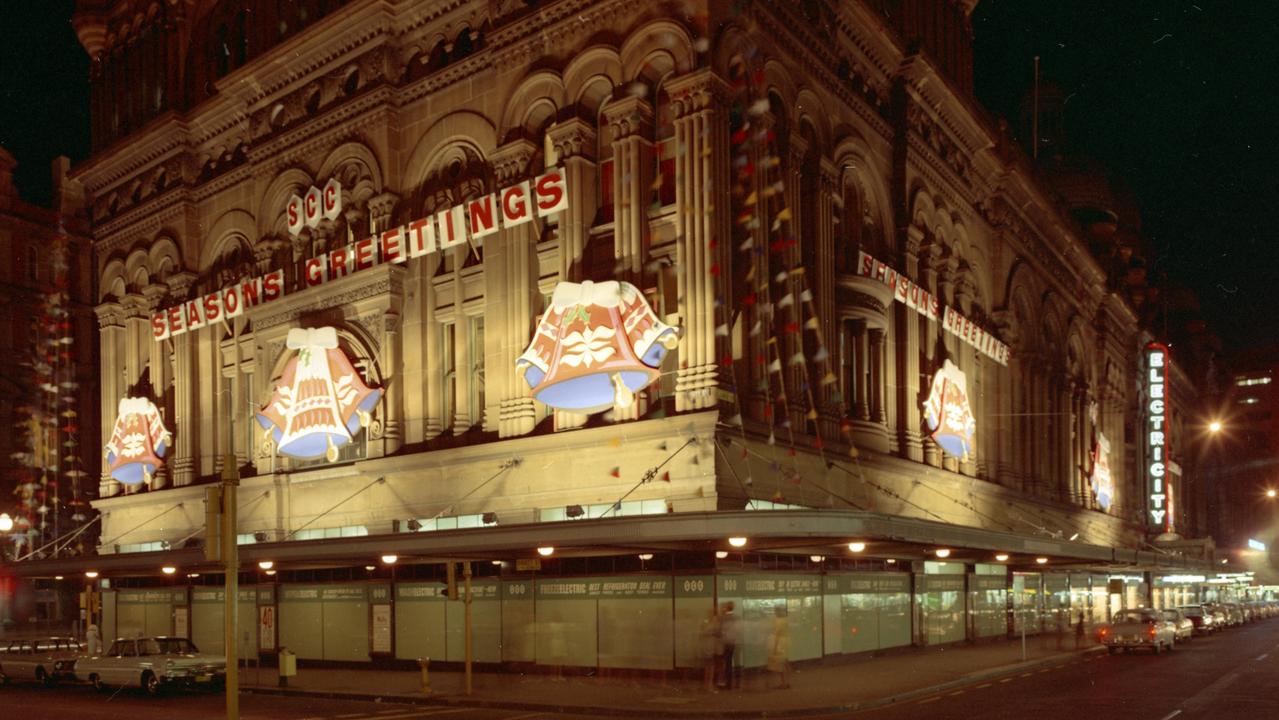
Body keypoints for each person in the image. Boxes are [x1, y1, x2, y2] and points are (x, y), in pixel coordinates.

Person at [766, 605, 791, 689]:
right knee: (785, 662)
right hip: (786, 642)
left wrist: (774, 648)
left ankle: (783, 683)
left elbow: (777, 635)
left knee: (780, 663)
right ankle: (787, 681)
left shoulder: (778, 621)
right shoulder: (786, 619)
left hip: (780, 643)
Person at [718, 601, 740, 689]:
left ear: (727, 608)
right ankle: (736, 683)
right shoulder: (737, 617)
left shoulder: (723, 618)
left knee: (727, 663)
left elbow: (720, 630)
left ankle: (728, 683)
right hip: (735, 642)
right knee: (734, 662)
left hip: (726, 643)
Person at [698, 606, 721, 692]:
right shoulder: (706, 622)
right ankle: (707, 684)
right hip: (708, 646)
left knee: (710, 666)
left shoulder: (712, 622)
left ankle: (708, 684)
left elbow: (717, 632)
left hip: (712, 646)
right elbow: (701, 632)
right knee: (709, 665)